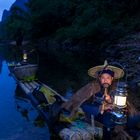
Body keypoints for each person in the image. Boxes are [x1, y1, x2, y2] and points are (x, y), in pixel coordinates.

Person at [61, 60, 140, 139]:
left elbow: (124, 105)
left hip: (115, 113)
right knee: (109, 121)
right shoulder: (92, 87)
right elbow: (82, 104)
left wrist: (111, 102)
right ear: (99, 78)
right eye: (103, 77)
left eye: (108, 77)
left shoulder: (116, 88)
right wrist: (101, 108)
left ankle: (125, 131)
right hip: (96, 115)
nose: (105, 80)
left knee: (135, 116)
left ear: (112, 78)